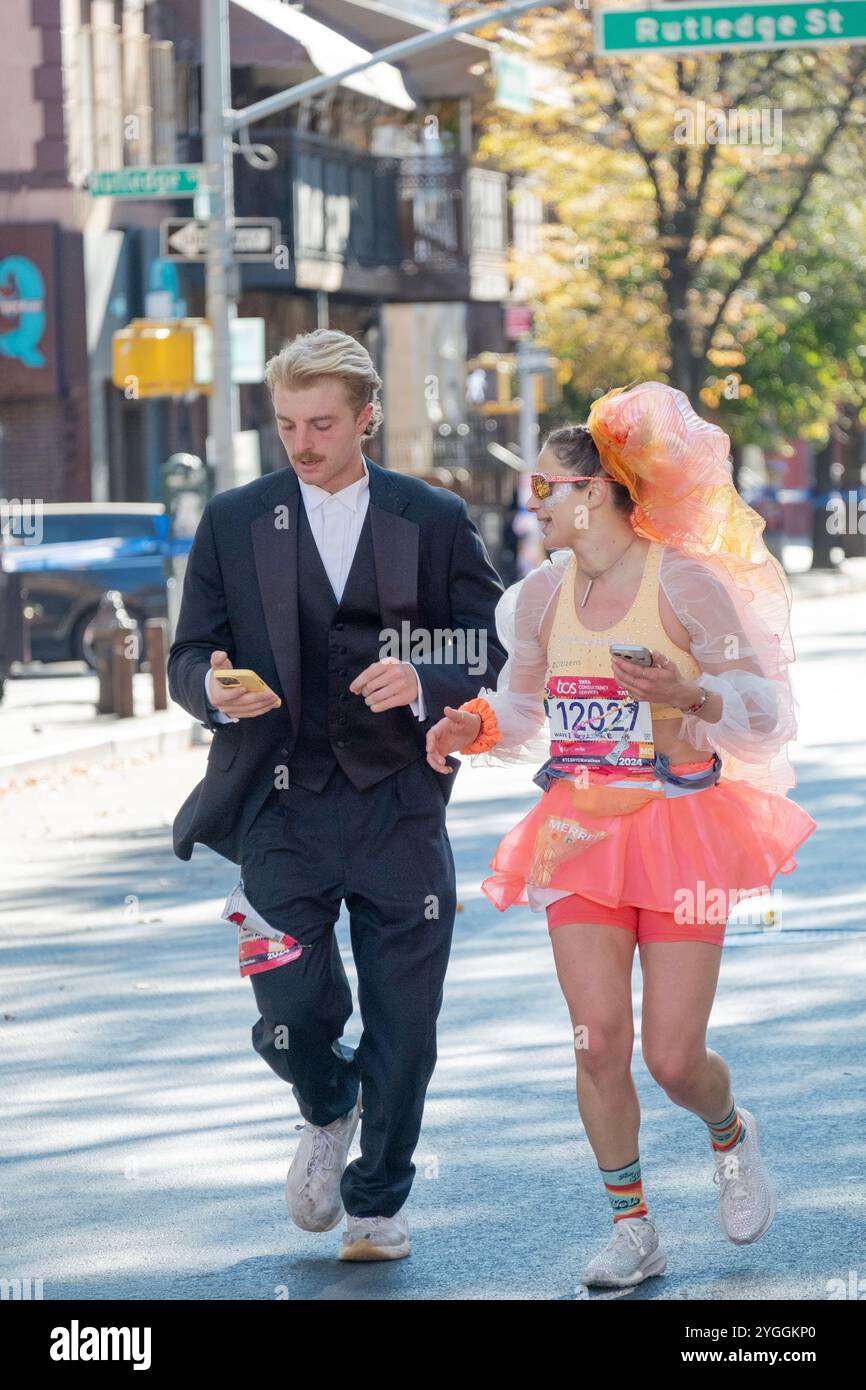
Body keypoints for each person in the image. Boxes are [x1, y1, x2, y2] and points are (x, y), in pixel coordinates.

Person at [425, 381, 816, 1288]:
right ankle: (633, 1228)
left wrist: (691, 698)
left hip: (679, 827)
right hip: (576, 832)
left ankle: (729, 1130)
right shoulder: (533, 601)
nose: (535, 504)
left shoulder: (684, 583)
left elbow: (769, 715)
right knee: (596, 1041)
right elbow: (525, 709)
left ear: (594, 491)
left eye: (546, 489)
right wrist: (472, 727)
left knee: (672, 1058)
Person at [167, 329, 506, 1261]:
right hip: (278, 807)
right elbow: (187, 653)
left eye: (321, 424)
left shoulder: (430, 516)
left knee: (406, 1015)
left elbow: (491, 643)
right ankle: (325, 1101)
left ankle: (378, 1201)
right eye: (286, 425)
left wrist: (424, 678)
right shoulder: (235, 520)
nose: (302, 442)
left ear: (366, 417)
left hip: (400, 801)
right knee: (287, 1014)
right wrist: (212, 688)